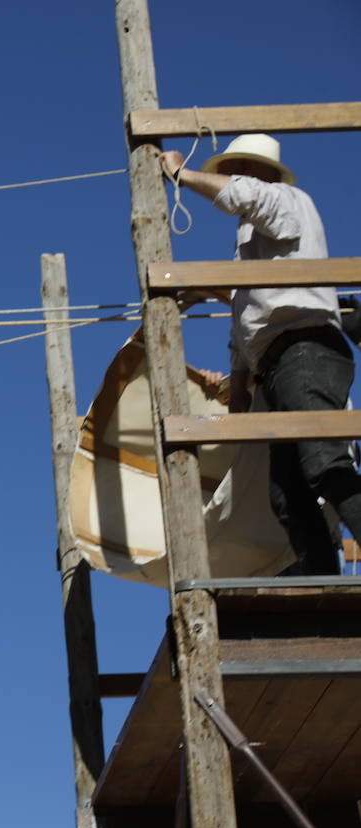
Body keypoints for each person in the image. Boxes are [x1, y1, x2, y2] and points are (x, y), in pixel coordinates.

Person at [160, 133, 361, 574]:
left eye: (240, 169)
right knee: (286, 491)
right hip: (279, 362)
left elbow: (243, 196)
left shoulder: (285, 200)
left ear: (261, 173)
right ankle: (323, 577)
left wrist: (181, 174)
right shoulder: (253, 241)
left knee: (324, 462)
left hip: (305, 349)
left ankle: (325, 570)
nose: (233, 178)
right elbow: (244, 321)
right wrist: (238, 394)